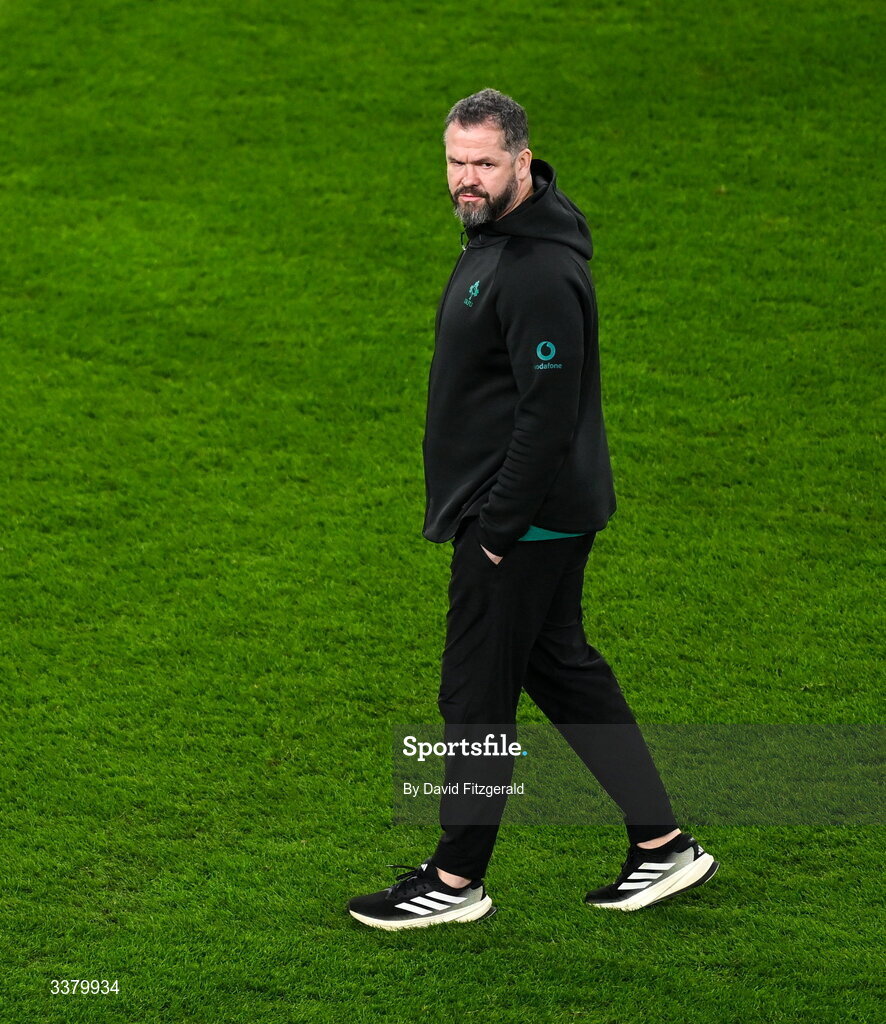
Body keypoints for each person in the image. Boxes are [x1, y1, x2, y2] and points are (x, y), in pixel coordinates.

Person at [347, 89, 718, 930]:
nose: (466, 180)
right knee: (563, 671)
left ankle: (453, 883)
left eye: (483, 163)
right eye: (455, 162)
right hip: (527, 512)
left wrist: (498, 533)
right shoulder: (503, 239)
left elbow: (547, 415)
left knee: (474, 697)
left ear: (522, 160)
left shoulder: (540, 270)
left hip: (520, 520)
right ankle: (663, 846)